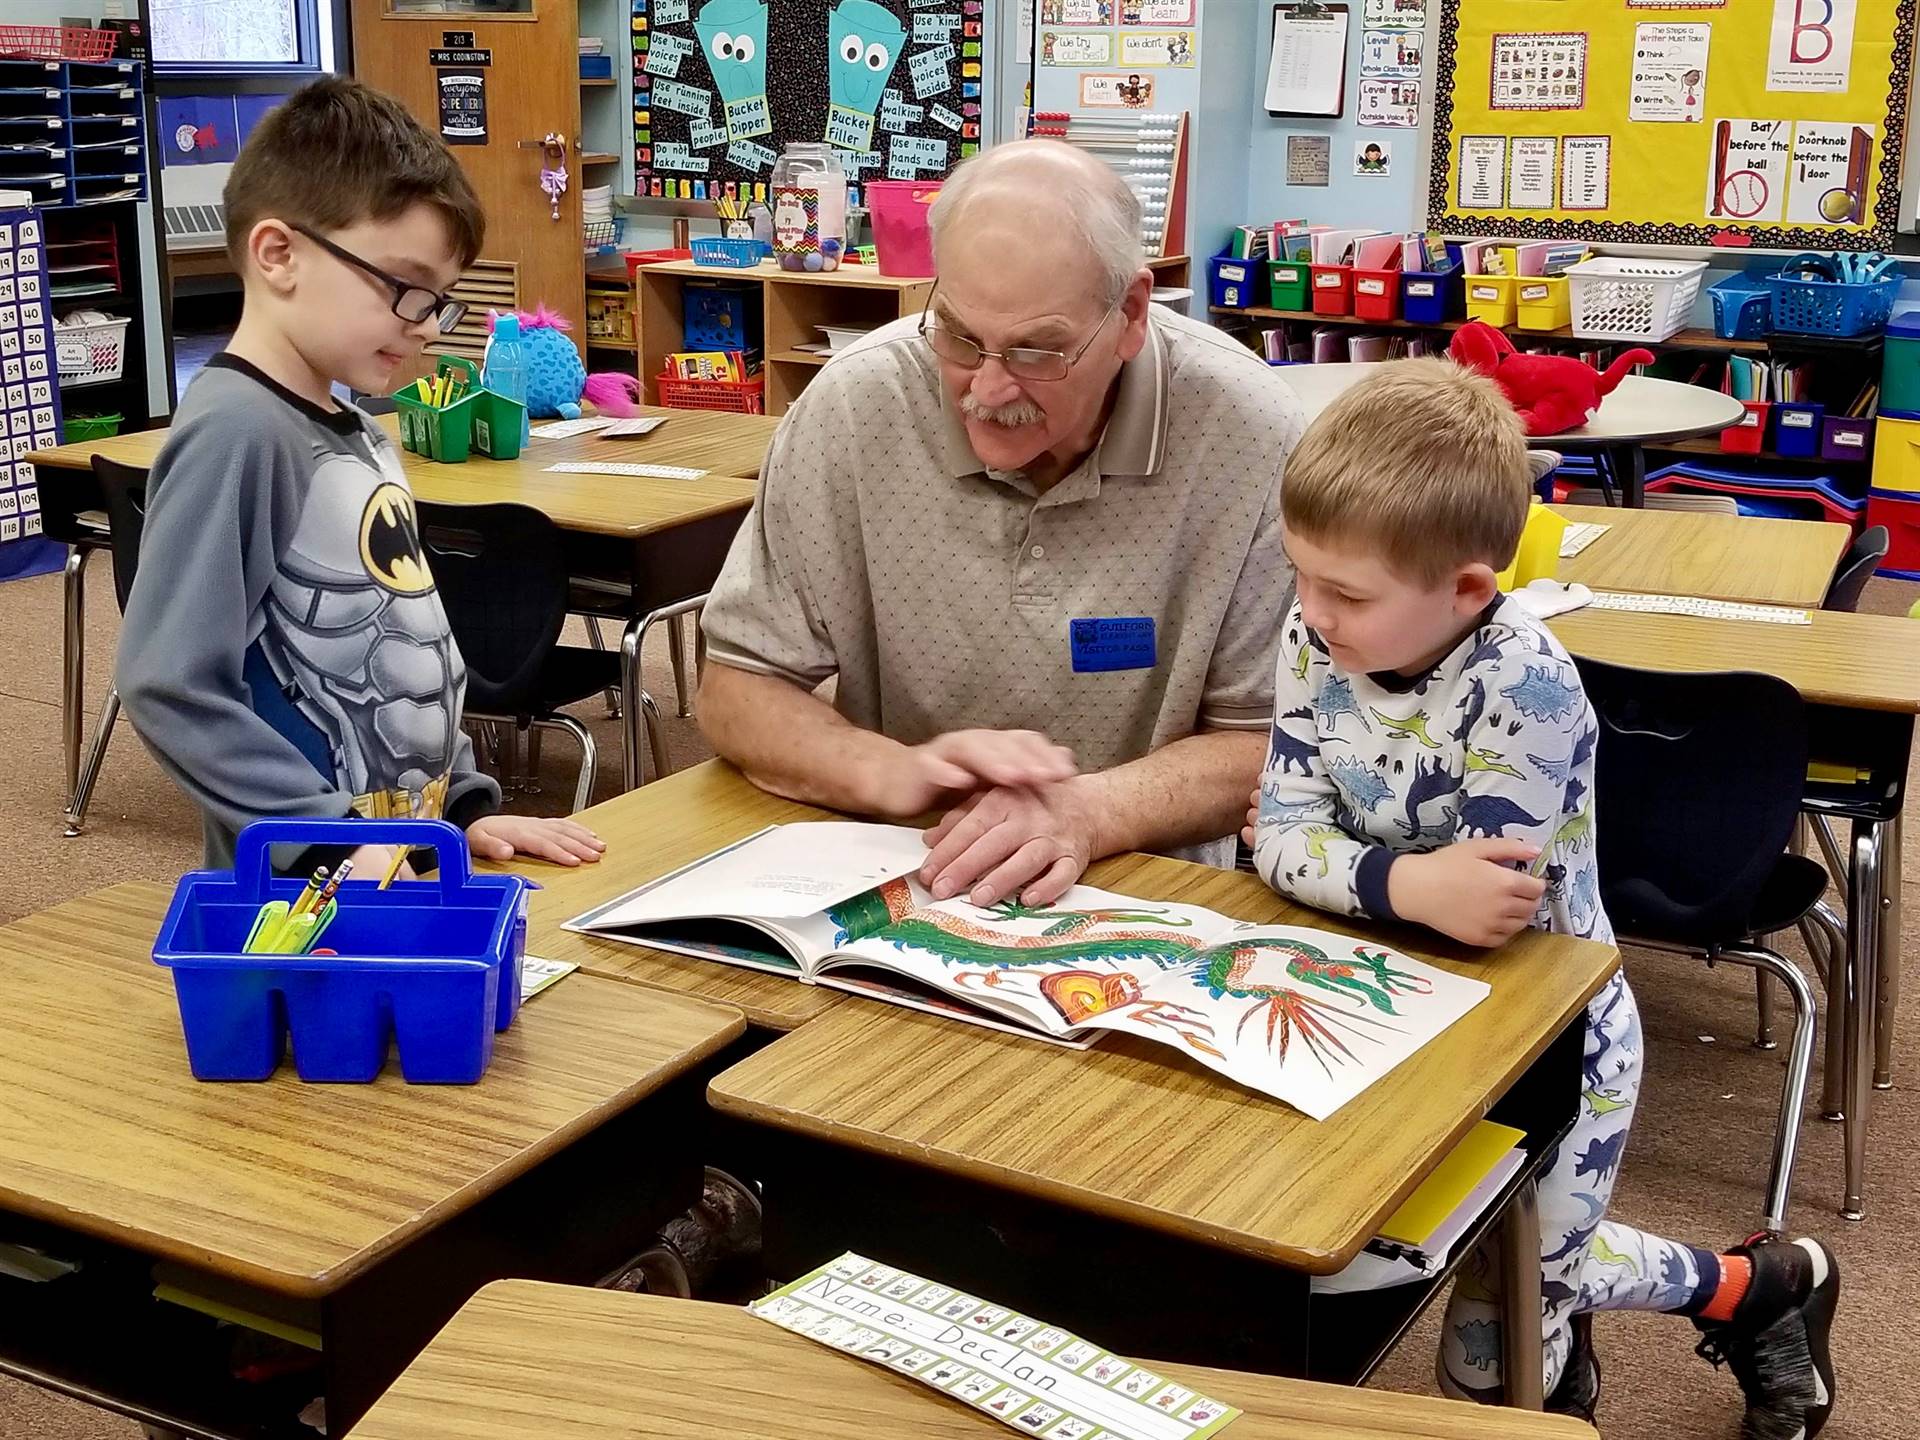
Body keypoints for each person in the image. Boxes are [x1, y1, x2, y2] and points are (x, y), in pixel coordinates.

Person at [1244, 359, 1838, 1434]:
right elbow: (1278, 844)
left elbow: (1481, 914)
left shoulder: (1524, 681)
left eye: (1347, 594)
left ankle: (1748, 1296)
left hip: (1549, 1036)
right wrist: (1405, 882)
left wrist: (1354, 871)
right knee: (1432, 1260)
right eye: (1302, 577)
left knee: (1490, 1336)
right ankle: (1750, 1289)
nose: (1310, 614)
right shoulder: (1311, 637)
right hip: (1381, 1004)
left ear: (1469, 589)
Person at [696, 139, 1303, 907]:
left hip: (1148, 888)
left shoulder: (1250, 435)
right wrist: (895, 771)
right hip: (911, 870)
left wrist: (1089, 809)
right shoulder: (855, 408)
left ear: (1131, 314)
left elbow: (1275, 737)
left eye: (1036, 350)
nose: (985, 388)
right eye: (957, 335)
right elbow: (738, 688)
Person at [118, 77, 604, 876]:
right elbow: (167, 681)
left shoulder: (359, 432)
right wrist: (323, 832)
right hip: (307, 891)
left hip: (396, 866)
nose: (422, 326)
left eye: (439, 303)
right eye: (405, 289)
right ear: (279, 255)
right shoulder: (240, 430)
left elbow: (407, 645)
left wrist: (459, 813)